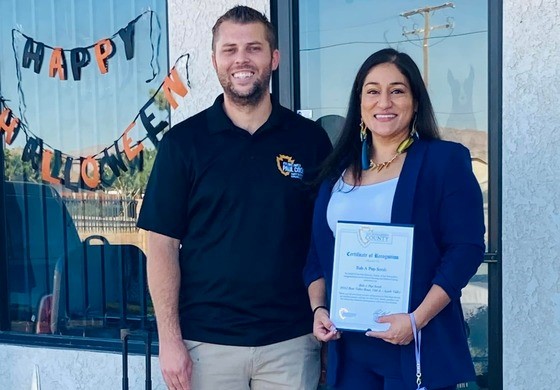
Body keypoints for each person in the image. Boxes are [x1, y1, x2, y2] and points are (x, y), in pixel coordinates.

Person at [137, 5, 332, 390]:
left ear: (274, 58)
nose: (241, 59)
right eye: (229, 50)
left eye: (253, 48)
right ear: (215, 60)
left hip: (290, 343)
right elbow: (161, 245)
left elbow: (324, 240)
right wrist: (170, 340)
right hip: (206, 346)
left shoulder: (309, 141)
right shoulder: (183, 144)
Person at [303, 48, 485, 390]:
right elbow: (317, 255)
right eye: (372, 91)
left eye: (397, 90)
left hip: (416, 344)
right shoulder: (334, 174)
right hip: (350, 351)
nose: (383, 102)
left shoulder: (444, 162)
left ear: (415, 102)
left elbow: (467, 249)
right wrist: (319, 309)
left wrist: (416, 321)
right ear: (360, 103)